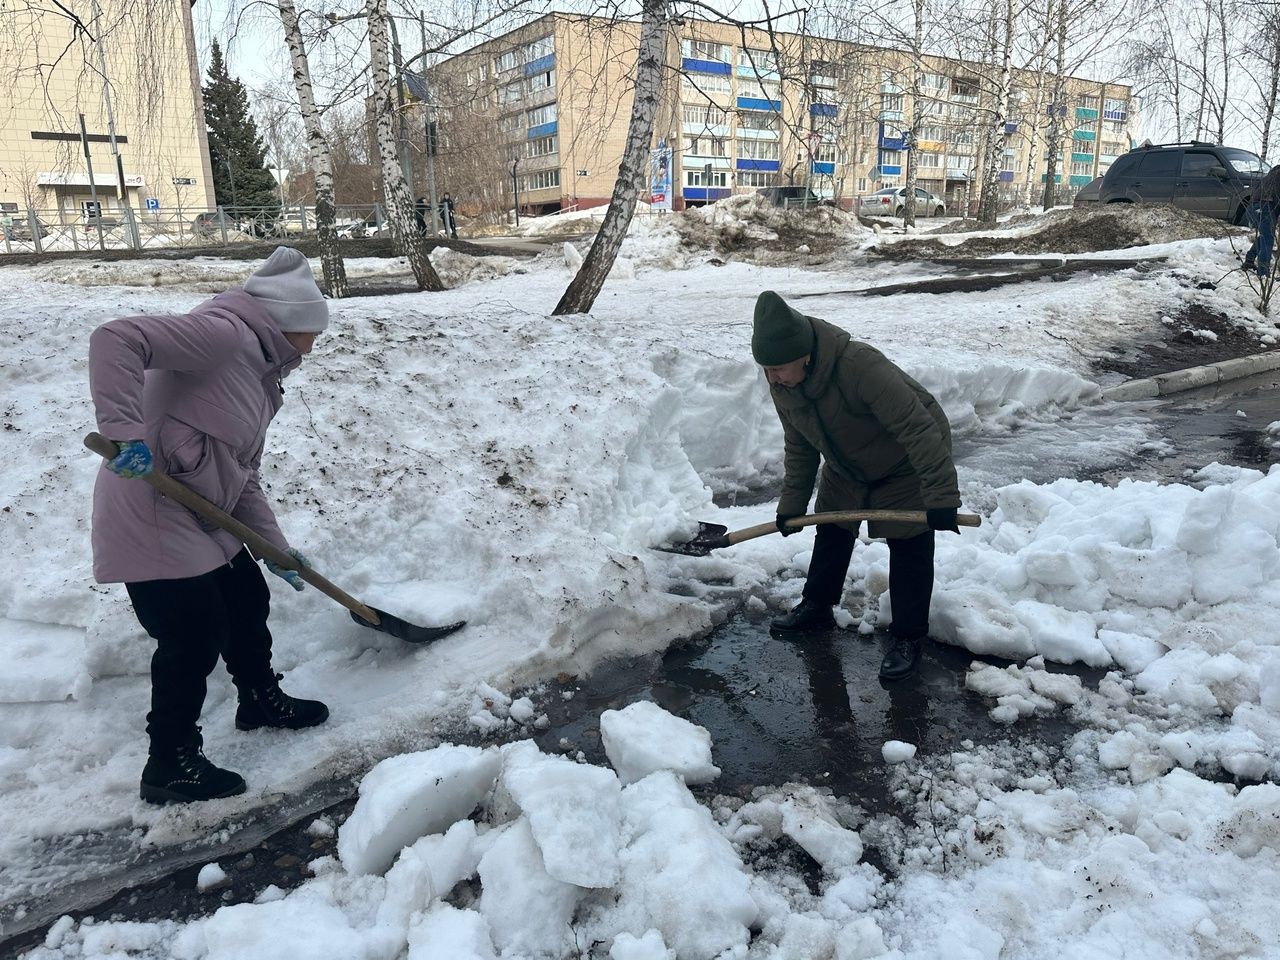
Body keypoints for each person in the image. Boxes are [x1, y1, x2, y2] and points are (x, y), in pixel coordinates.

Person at [89, 246, 331, 805]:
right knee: (192, 630)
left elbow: (240, 476)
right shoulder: (222, 335)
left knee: (246, 598)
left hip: (204, 508)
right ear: (288, 323)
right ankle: (169, 761)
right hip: (152, 503)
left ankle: (259, 699)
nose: (314, 344)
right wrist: (126, 433)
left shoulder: (261, 378)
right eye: (311, 331)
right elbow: (116, 339)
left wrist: (276, 548)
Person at [751, 290, 962, 682]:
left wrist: (941, 498)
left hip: (904, 461)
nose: (771, 378)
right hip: (846, 462)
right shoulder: (784, 383)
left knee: (909, 541)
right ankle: (816, 606)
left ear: (805, 356)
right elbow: (799, 445)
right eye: (765, 369)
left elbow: (918, 429)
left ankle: (908, 637)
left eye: (777, 368)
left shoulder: (859, 366)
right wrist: (792, 504)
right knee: (831, 526)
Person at [1243, 163, 1280, 275]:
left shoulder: (1273, 174)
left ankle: (1250, 259)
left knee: (1265, 235)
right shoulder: (1277, 176)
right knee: (1268, 238)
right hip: (1263, 206)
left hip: (1255, 207)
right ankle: (1263, 272)